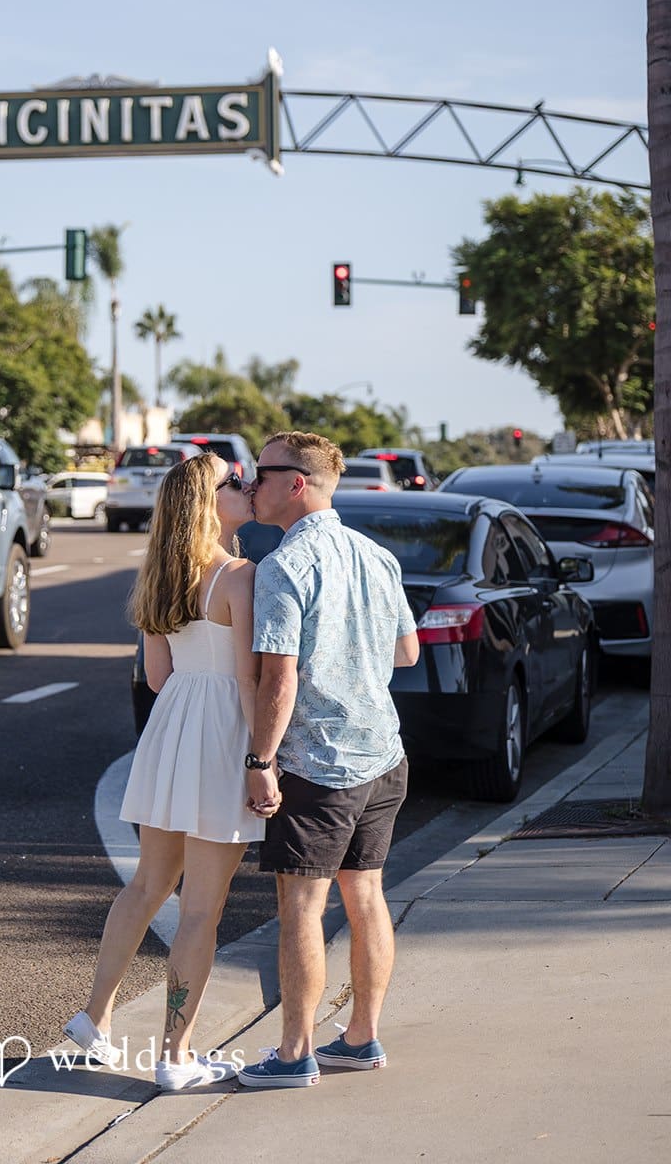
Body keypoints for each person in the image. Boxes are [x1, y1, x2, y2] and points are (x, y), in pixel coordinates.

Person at [64, 453, 276, 1091]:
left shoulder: (161, 574)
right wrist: (261, 761)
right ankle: (175, 1056)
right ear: (210, 503)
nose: (245, 487)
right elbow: (247, 677)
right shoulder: (240, 574)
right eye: (233, 482)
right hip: (220, 734)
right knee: (201, 912)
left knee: (146, 887)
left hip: (172, 728)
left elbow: (157, 679)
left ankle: (93, 1019)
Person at [237, 431, 420, 1091]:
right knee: (366, 894)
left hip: (318, 763)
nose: (251, 484)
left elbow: (277, 680)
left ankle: (294, 1054)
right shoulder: (375, 556)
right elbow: (408, 653)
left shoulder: (285, 567)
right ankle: (362, 1038)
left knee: (302, 907)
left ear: (297, 484)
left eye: (261, 473)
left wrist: (260, 759)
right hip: (382, 756)